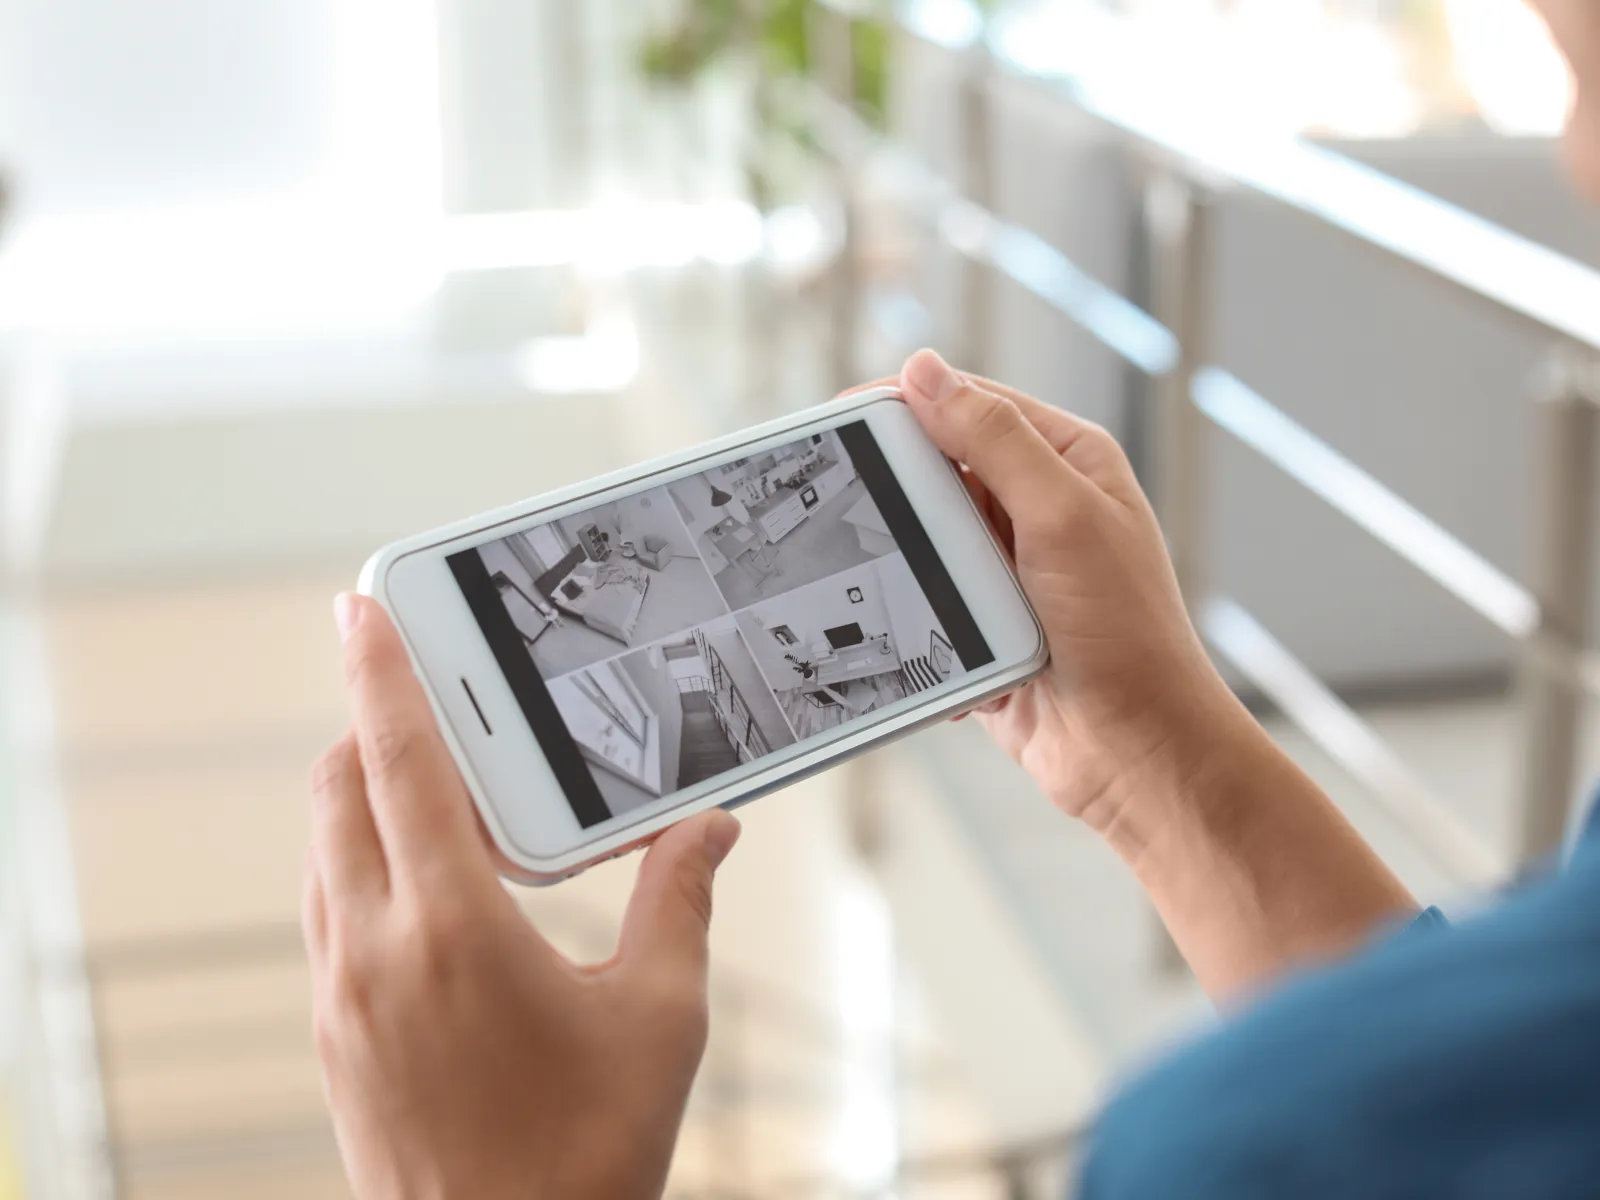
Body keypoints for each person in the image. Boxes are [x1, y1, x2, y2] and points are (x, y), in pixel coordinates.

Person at [302, 2, 1600, 1195]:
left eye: (1577, 73)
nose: (1573, 160)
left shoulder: (1230, 1152)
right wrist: (1149, 749)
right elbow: (1452, 1086)